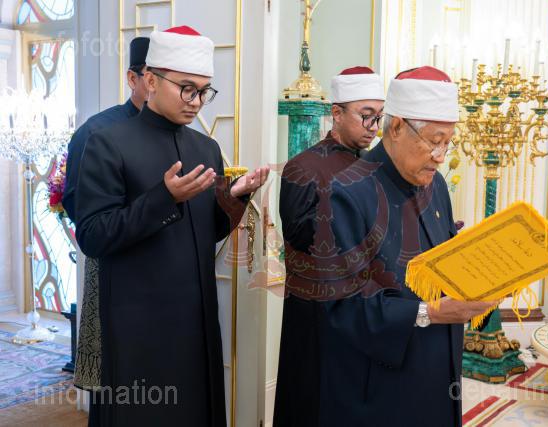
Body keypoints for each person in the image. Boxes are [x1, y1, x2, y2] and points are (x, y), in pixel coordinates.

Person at [278, 66, 496, 427]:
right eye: (434, 141)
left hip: (437, 371)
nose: (441, 156)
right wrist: (433, 312)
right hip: (377, 389)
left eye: (448, 142)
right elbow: (343, 309)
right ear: (396, 128)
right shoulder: (346, 193)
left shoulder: (435, 186)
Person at [74, 26, 269, 426]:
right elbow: (93, 235)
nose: (196, 102)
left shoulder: (206, 148)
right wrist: (163, 197)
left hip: (196, 321)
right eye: (187, 89)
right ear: (150, 80)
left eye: (204, 91)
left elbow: (207, 232)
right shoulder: (107, 142)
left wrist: (235, 198)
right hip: (137, 325)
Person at [274, 66, 385, 426]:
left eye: (379, 117)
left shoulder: (376, 167)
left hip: (366, 308)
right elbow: (298, 239)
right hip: (317, 313)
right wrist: (345, 207)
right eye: (366, 116)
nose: (374, 126)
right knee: (313, 401)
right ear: (337, 113)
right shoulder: (303, 166)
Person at [62, 36, 150, 423]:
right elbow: (78, 203)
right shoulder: (97, 131)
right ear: (133, 78)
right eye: (152, 76)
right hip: (114, 261)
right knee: (115, 374)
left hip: (163, 270)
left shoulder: (179, 133)